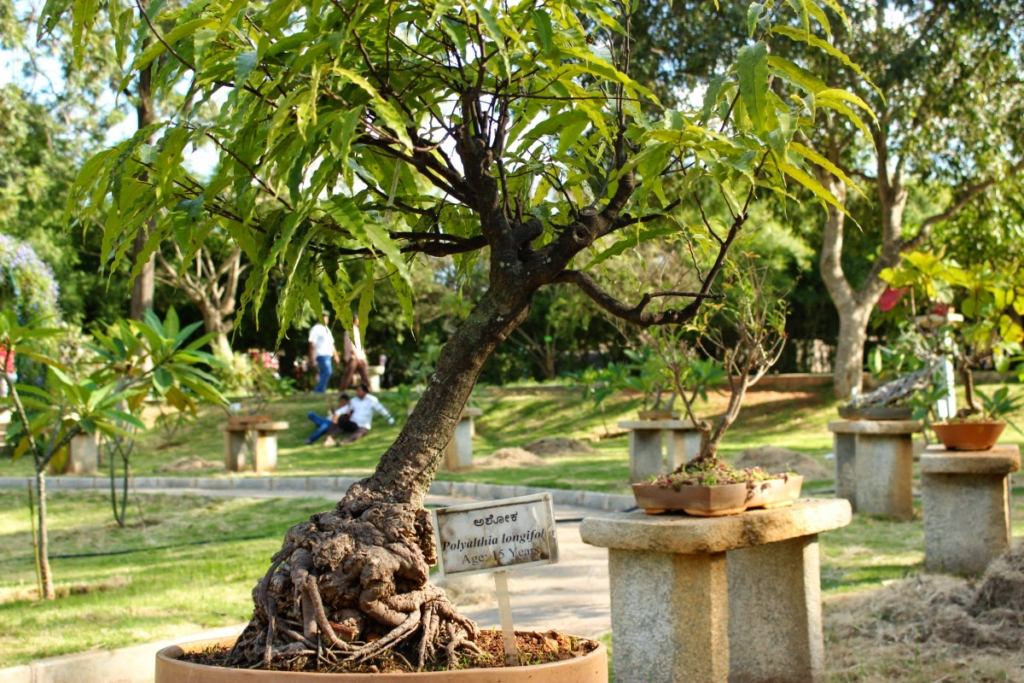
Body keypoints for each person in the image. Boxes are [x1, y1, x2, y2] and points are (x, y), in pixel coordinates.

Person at [326, 383, 394, 446]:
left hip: (363, 425)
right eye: (357, 391)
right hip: (353, 423)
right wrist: (337, 414)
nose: (357, 393)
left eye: (359, 391)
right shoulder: (354, 400)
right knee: (339, 418)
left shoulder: (372, 400)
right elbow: (344, 409)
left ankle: (344, 442)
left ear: (364, 392)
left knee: (360, 432)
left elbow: (381, 410)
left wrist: (389, 418)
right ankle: (329, 439)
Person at [308, 313, 339, 394]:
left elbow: (332, 343)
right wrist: (311, 357)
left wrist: (335, 355)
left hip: (328, 354)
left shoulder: (327, 329)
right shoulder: (315, 329)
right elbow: (312, 344)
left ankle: (322, 391)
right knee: (328, 371)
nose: (326, 320)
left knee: (323, 373)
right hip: (321, 354)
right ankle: (318, 390)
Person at [339, 315, 371, 391]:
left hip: (360, 356)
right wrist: (357, 358)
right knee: (348, 375)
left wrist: (363, 357)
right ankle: (341, 390)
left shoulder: (356, 330)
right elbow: (351, 346)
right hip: (353, 357)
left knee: (365, 375)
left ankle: (369, 390)